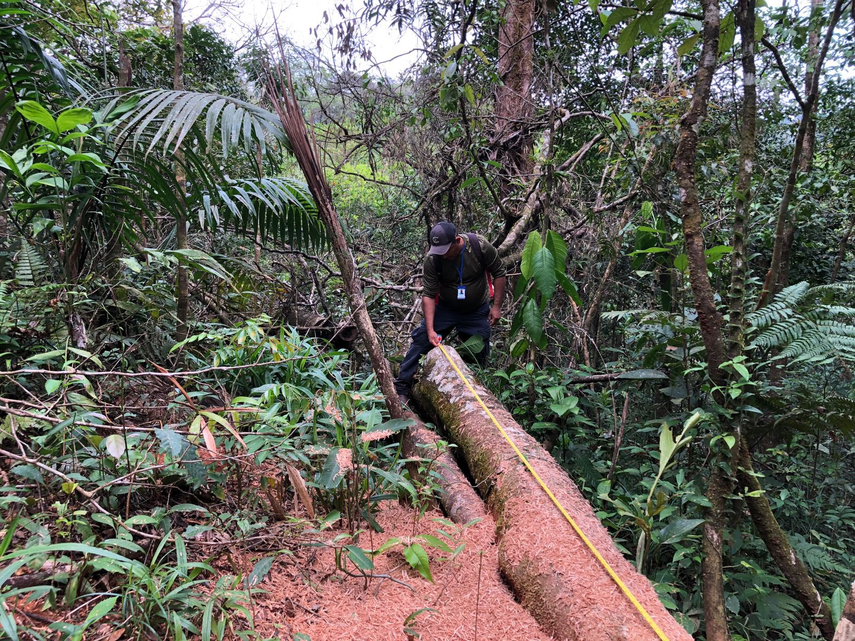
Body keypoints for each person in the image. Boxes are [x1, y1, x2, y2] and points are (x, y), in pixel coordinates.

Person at [394, 221, 507, 403]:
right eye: (439, 251)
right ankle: (402, 389)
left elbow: (499, 273)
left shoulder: (479, 246)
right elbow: (429, 294)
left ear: (457, 241)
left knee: (478, 352)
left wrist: (496, 306)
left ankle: (478, 395)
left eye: (446, 250)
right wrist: (430, 330)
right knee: (421, 340)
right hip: (445, 309)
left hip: (476, 310)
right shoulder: (433, 259)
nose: (443, 255)